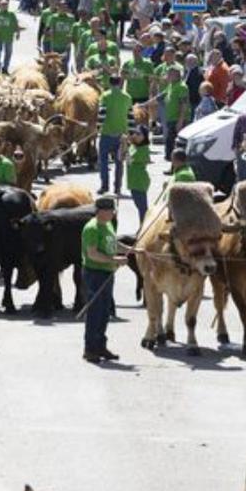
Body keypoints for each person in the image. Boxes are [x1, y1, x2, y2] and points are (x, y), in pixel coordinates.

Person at [81, 195, 127, 363]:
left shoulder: (107, 225)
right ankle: (90, 349)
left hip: (107, 273)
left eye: (113, 211)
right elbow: (93, 254)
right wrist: (115, 260)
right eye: (109, 211)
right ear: (100, 211)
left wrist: (131, 250)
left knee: (105, 312)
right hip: (94, 274)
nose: (112, 214)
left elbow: (113, 244)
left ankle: (101, 346)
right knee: (95, 313)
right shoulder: (92, 228)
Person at [97, 75, 132, 196]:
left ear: (109, 83)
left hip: (107, 133)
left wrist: (97, 128)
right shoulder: (127, 97)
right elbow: (130, 116)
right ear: (120, 82)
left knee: (103, 161)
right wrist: (130, 134)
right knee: (119, 162)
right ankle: (117, 187)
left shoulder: (105, 96)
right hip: (122, 135)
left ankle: (104, 186)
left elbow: (102, 114)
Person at [124, 126, 151, 227]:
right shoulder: (133, 146)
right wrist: (125, 144)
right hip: (133, 181)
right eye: (135, 133)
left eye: (139, 134)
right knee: (139, 205)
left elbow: (129, 159)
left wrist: (125, 145)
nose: (135, 135)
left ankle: (144, 226)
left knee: (142, 208)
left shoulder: (144, 149)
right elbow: (122, 156)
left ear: (144, 137)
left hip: (139, 181)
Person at [0, 0, 19, 74]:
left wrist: (18, 33)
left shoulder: (11, 14)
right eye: (2, 5)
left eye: (6, 5)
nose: (4, 6)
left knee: (8, 52)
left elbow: (16, 24)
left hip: (8, 36)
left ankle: (5, 67)